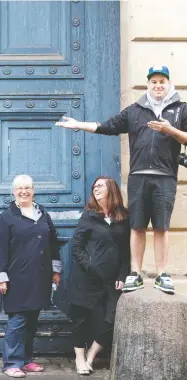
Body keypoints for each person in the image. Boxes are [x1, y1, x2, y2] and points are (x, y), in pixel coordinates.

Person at [56, 65, 187, 295]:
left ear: (168, 84)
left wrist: (170, 131)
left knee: (161, 228)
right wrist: (78, 125)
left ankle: (162, 274)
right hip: (138, 176)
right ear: (148, 84)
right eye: (153, 82)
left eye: (162, 82)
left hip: (165, 177)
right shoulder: (135, 110)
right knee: (136, 226)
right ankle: (135, 273)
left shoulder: (181, 109)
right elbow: (107, 127)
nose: (157, 86)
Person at [0, 174, 63, 378]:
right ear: (13, 192)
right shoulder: (6, 217)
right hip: (17, 279)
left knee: (32, 321)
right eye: (20, 188)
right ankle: (12, 363)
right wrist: (1, 277)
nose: (24, 191)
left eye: (28, 188)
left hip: (39, 278)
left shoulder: (43, 214)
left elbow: (53, 244)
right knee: (18, 320)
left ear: (33, 190)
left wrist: (55, 270)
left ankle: (26, 360)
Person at [67, 176, 130, 375]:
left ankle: (91, 357)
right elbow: (76, 247)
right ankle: (79, 359)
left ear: (112, 189)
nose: (96, 188)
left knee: (110, 320)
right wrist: (90, 265)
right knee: (80, 319)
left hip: (111, 280)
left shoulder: (123, 217)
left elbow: (126, 251)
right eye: (94, 186)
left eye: (100, 185)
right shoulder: (89, 216)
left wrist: (122, 273)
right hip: (86, 278)